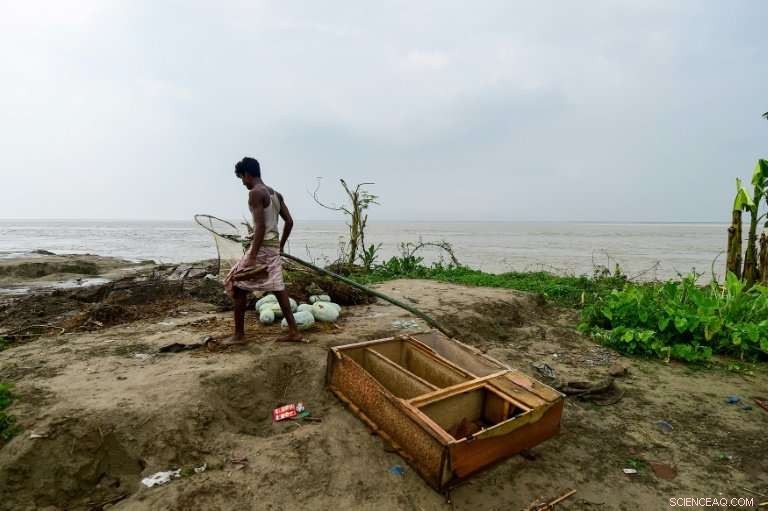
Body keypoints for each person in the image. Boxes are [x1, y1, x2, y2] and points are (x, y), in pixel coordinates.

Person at [221, 157, 302, 344]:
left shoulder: (255, 193)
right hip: (272, 248)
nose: (243, 183)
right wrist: (281, 246)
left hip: (262, 248)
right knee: (278, 288)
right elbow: (289, 222)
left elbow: (260, 227)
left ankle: (239, 335)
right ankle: (294, 332)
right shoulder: (276, 194)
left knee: (236, 284)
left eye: (242, 178)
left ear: (247, 174)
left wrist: (252, 256)